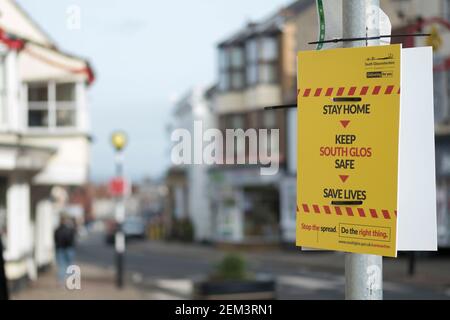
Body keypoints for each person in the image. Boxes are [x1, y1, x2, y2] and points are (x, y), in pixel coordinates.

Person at [54, 215, 76, 284]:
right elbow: (72, 239)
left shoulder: (57, 230)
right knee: (69, 265)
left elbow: (55, 240)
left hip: (60, 249)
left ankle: (61, 281)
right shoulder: (70, 229)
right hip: (69, 249)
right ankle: (69, 280)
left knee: (61, 266)